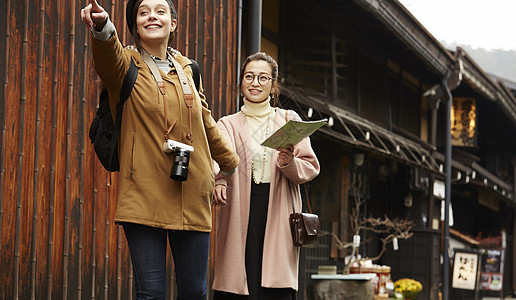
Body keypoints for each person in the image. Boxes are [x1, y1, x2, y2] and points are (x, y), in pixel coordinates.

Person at [80, 0, 239, 299]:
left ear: (173, 23)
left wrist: (228, 165)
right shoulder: (125, 63)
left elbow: (205, 121)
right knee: (151, 293)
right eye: (143, 12)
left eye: (160, 10)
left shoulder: (189, 68)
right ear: (136, 24)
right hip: (143, 192)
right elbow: (106, 55)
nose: (152, 16)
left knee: (194, 291)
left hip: (192, 191)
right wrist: (102, 27)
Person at [211, 52, 320, 300]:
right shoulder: (227, 124)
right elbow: (216, 160)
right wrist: (218, 180)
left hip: (280, 208)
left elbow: (310, 167)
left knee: (275, 282)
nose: (255, 83)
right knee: (238, 277)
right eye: (249, 76)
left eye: (263, 78)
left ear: (273, 85)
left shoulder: (288, 120)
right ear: (241, 83)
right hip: (239, 206)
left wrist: (288, 161)